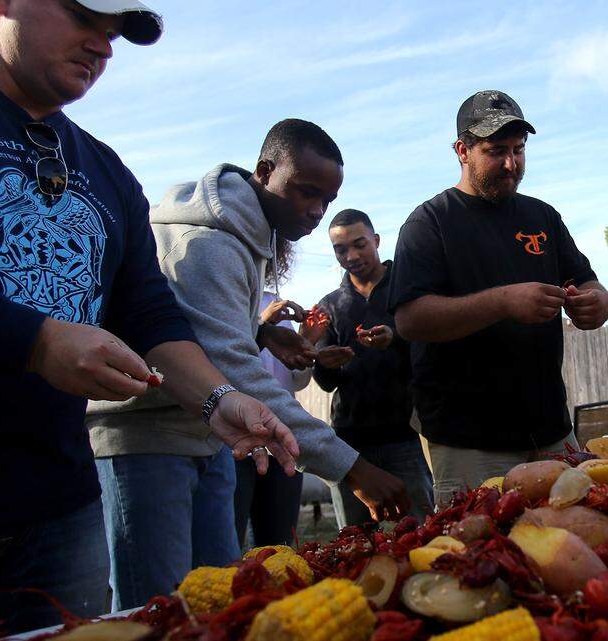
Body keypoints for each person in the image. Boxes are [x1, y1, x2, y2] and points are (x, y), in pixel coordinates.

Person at [0, 2, 299, 637]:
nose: (103, 46)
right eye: (83, 17)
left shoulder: (105, 168)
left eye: (113, 33)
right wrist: (34, 339)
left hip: (61, 513)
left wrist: (217, 399)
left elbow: (147, 313)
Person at [87, 118, 412, 610]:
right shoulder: (210, 244)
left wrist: (258, 332)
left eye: (326, 200)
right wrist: (352, 467)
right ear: (264, 172)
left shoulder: (248, 238)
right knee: (157, 610)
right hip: (149, 436)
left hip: (211, 434)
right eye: (306, 192)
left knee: (223, 601)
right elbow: (234, 371)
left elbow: (194, 327)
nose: (316, 211)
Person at [388, 90, 608, 506]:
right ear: (462, 151)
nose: (511, 164)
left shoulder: (543, 216)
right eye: (496, 152)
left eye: (518, 150)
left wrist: (597, 303)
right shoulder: (430, 222)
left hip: (552, 430)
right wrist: (503, 302)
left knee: (576, 532)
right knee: (480, 544)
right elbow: (410, 319)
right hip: (469, 442)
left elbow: (592, 286)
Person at [314, 209, 435, 527]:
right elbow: (325, 382)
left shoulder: (409, 291)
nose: (351, 256)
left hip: (406, 436)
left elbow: (433, 350)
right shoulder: (328, 306)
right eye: (341, 250)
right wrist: (326, 363)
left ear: (376, 241)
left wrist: (396, 338)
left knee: (421, 533)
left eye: (359, 245)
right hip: (349, 444)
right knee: (354, 541)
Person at [233, 294, 319, 549]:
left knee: (278, 548)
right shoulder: (226, 296)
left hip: (281, 443)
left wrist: (307, 343)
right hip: (235, 443)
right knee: (228, 546)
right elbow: (227, 359)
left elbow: (295, 381)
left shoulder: (276, 301)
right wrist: (262, 326)